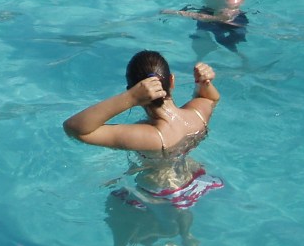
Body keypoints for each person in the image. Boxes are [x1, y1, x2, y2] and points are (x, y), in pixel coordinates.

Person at [64, 51, 222, 205]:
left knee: (114, 198)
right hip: (197, 178)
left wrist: (129, 98)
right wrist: (203, 84)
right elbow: (210, 98)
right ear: (172, 81)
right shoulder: (197, 115)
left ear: (131, 89)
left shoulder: (151, 136)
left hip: (160, 192)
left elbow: (75, 129)